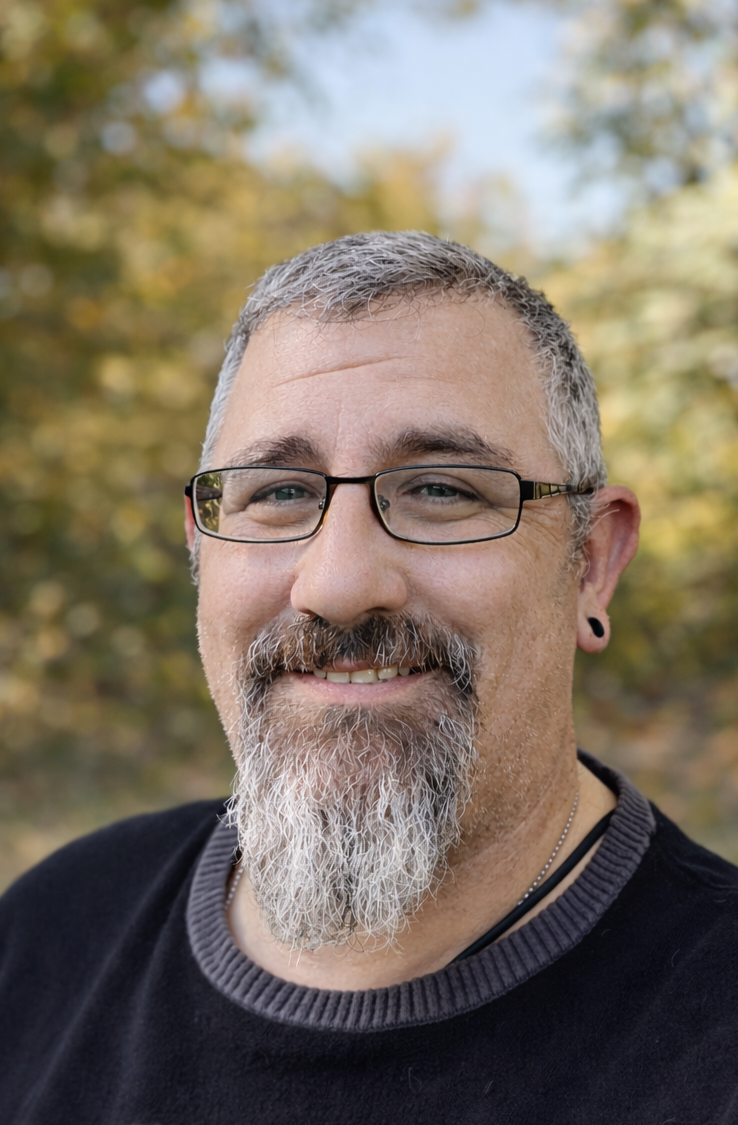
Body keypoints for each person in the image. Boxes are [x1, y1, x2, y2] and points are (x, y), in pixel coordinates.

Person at [1, 231, 736, 1124]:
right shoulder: (49, 934)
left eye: (441, 489)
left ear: (590, 564)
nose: (340, 585)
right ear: (201, 548)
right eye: (276, 491)